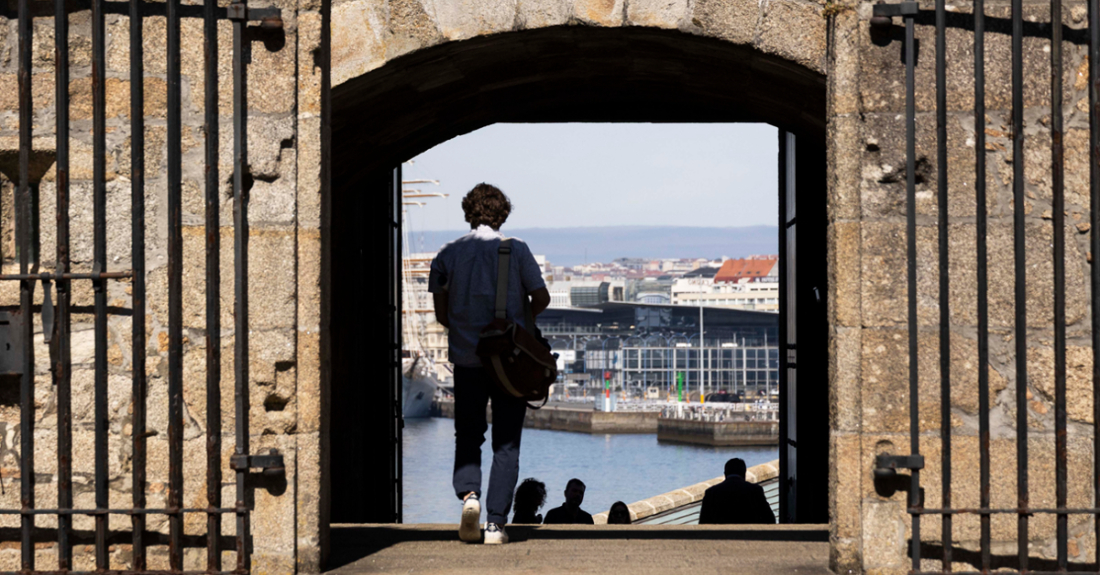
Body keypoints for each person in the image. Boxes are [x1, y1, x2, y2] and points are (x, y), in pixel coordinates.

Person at [429, 183, 551, 545]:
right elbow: (541, 296)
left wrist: (467, 330)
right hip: (509, 361)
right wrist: (519, 324)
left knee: (468, 434)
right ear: (503, 214)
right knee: (506, 442)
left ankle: (470, 496)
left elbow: (441, 312)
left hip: (468, 361)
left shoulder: (446, 255)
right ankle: (497, 523)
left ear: (468, 211)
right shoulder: (517, 251)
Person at [698, 458, 776, 525]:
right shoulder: (755, 490)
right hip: (749, 538)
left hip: (721, 538)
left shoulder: (711, 493)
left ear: (725, 474)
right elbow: (770, 520)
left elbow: (703, 523)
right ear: (744, 473)